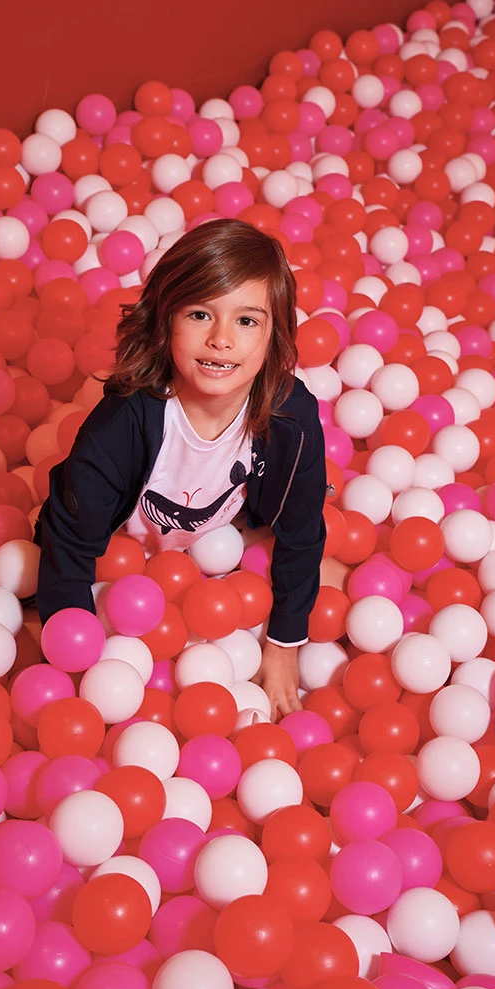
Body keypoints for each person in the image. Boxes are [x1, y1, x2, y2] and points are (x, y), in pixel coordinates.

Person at [35, 218, 327, 720]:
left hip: (216, 548)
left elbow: (302, 532)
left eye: (247, 321)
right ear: (165, 319)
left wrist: (282, 644)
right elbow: (69, 539)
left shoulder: (290, 418)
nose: (220, 339)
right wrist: (79, 660)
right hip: (119, 560)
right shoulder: (122, 424)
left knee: (326, 572)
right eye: (199, 314)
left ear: (274, 336)